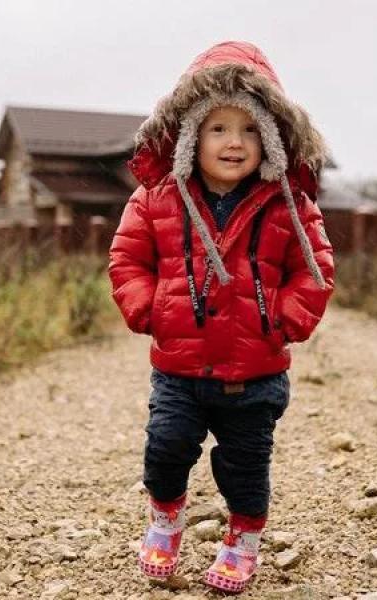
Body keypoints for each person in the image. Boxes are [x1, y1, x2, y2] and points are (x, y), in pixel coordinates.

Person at [108, 40, 335, 593]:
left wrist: (286, 319)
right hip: (179, 369)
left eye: (250, 129)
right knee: (165, 449)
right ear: (190, 134)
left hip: (255, 373)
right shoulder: (156, 199)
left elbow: (316, 268)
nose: (234, 142)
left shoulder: (290, 205)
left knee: (244, 468)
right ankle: (165, 520)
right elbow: (127, 259)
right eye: (218, 128)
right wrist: (149, 308)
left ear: (273, 138)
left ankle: (243, 538)